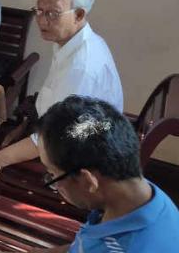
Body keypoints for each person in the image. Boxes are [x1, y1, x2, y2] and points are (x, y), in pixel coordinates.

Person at [0, 0, 123, 180]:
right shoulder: (71, 42)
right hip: (57, 135)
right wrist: (25, 126)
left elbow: (56, 138)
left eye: (53, 13)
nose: (41, 20)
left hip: (77, 161)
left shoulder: (81, 67)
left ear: (79, 15)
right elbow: (52, 107)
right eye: (39, 11)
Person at [33, 95, 179, 252]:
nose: (54, 183)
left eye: (53, 175)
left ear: (88, 181)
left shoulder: (128, 246)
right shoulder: (141, 195)